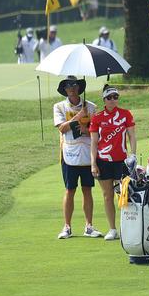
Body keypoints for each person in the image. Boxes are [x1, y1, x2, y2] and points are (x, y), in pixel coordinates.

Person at [52, 77, 102, 239]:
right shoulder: (59, 106)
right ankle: (67, 227)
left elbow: (97, 132)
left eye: (74, 85)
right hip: (69, 153)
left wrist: (86, 128)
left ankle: (89, 226)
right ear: (64, 90)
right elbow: (62, 128)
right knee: (70, 189)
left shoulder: (92, 107)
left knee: (87, 189)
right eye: (68, 86)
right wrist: (78, 116)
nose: (71, 88)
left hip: (88, 153)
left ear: (79, 87)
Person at [89, 85, 136, 241]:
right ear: (104, 99)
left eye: (115, 97)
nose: (113, 100)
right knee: (107, 195)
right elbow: (94, 143)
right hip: (103, 161)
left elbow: (131, 136)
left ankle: (127, 227)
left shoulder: (125, 114)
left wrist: (133, 155)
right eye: (109, 97)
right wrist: (93, 163)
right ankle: (112, 229)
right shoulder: (97, 117)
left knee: (124, 194)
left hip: (121, 161)